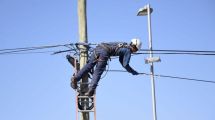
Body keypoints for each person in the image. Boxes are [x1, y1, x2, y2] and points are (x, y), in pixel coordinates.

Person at [71, 38, 142, 96]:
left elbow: (121, 60)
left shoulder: (124, 43)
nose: (135, 52)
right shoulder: (128, 51)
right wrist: (133, 71)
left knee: (89, 65)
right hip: (105, 53)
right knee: (98, 72)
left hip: (99, 48)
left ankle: (75, 78)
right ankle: (91, 90)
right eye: (136, 50)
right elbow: (125, 65)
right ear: (135, 47)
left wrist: (129, 69)